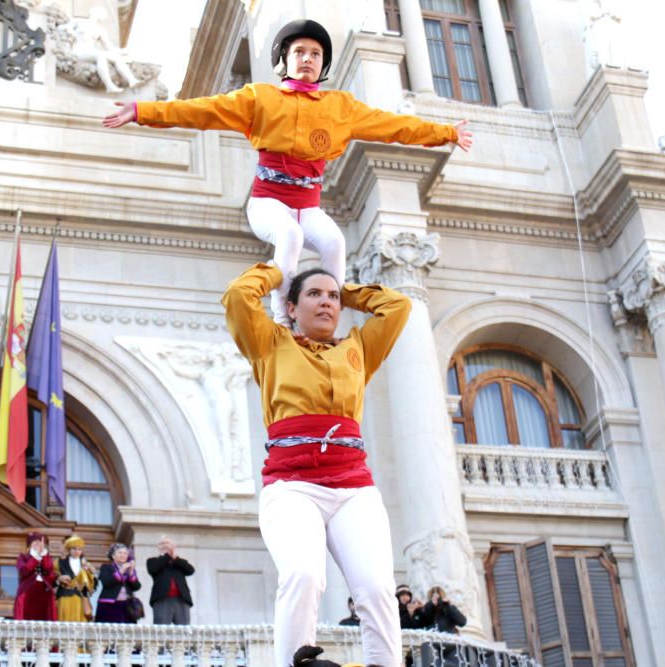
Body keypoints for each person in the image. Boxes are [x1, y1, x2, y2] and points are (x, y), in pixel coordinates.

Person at [104, 19, 472, 326]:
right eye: (299, 52)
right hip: (268, 203)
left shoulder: (340, 107)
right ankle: (283, 316)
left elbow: (394, 126)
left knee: (334, 243)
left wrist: (447, 133)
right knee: (290, 236)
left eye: (315, 54)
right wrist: (141, 110)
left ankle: (331, 313)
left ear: (322, 63)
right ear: (285, 59)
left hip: (308, 205)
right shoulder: (260, 98)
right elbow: (201, 110)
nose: (308, 59)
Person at [221, 262, 413, 667]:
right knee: (304, 576)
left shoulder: (358, 348)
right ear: (291, 308)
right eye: (314, 294)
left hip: (353, 486)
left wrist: (348, 289)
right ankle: (296, 663)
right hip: (292, 485)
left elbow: (397, 307)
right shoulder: (269, 343)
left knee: (377, 587)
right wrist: (279, 273)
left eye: (332, 298)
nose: (326, 302)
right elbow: (239, 296)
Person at [147, 536, 195, 625]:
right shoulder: (152, 561)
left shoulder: (179, 561)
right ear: (158, 547)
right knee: (161, 630)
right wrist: (167, 556)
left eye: (168, 543)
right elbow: (153, 569)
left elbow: (190, 570)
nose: (165, 545)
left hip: (181, 599)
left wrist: (175, 558)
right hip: (162, 599)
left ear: (174, 546)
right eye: (162, 543)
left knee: (184, 631)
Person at [418, 586, 467, 667]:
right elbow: (422, 622)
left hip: (450, 644)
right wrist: (431, 605)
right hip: (432, 644)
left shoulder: (449, 609)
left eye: (439, 597)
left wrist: (448, 606)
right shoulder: (427, 609)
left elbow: (462, 622)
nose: (436, 599)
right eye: (433, 597)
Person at [13, 532, 57, 621]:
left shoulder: (47, 557)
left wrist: (43, 555)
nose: (38, 544)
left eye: (40, 542)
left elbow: (49, 571)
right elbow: (24, 571)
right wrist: (35, 558)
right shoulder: (23, 557)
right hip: (27, 593)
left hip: (44, 593)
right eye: (35, 542)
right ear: (30, 545)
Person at [95, 542, 141, 623]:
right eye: (120, 553)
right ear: (113, 556)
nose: (123, 555)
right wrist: (121, 571)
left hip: (127, 606)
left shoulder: (130, 569)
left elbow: (137, 587)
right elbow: (106, 582)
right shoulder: (106, 567)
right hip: (109, 605)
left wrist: (131, 573)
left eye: (125, 553)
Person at [56, 534, 96, 622]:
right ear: (69, 550)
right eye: (74, 549)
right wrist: (59, 579)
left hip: (81, 598)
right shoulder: (59, 562)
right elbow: (52, 578)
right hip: (64, 597)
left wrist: (90, 574)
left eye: (79, 549)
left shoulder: (85, 563)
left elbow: (93, 584)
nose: (77, 551)